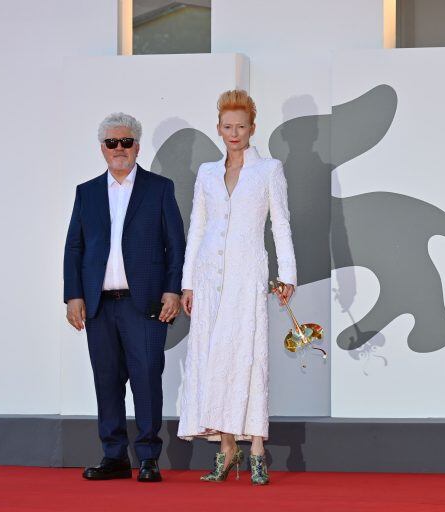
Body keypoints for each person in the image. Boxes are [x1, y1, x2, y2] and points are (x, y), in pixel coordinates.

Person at [178, 90, 296, 485]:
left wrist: (288, 275)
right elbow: (197, 226)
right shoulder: (207, 173)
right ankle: (227, 448)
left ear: (252, 128)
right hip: (209, 275)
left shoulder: (269, 170)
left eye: (240, 127)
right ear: (218, 128)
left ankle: (257, 448)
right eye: (227, 127)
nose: (234, 133)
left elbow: (280, 223)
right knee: (214, 357)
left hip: (248, 272)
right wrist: (188, 282)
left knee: (247, 353)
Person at [64, 113, 185, 482]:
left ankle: (148, 457)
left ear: (137, 145)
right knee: (107, 381)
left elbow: (175, 245)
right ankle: (114, 456)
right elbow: (75, 247)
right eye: (112, 143)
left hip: (144, 302)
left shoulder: (159, 188)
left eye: (126, 142)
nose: (120, 149)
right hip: (99, 305)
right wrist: (73, 296)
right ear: (102, 148)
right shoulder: (86, 192)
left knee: (147, 378)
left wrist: (172, 289)